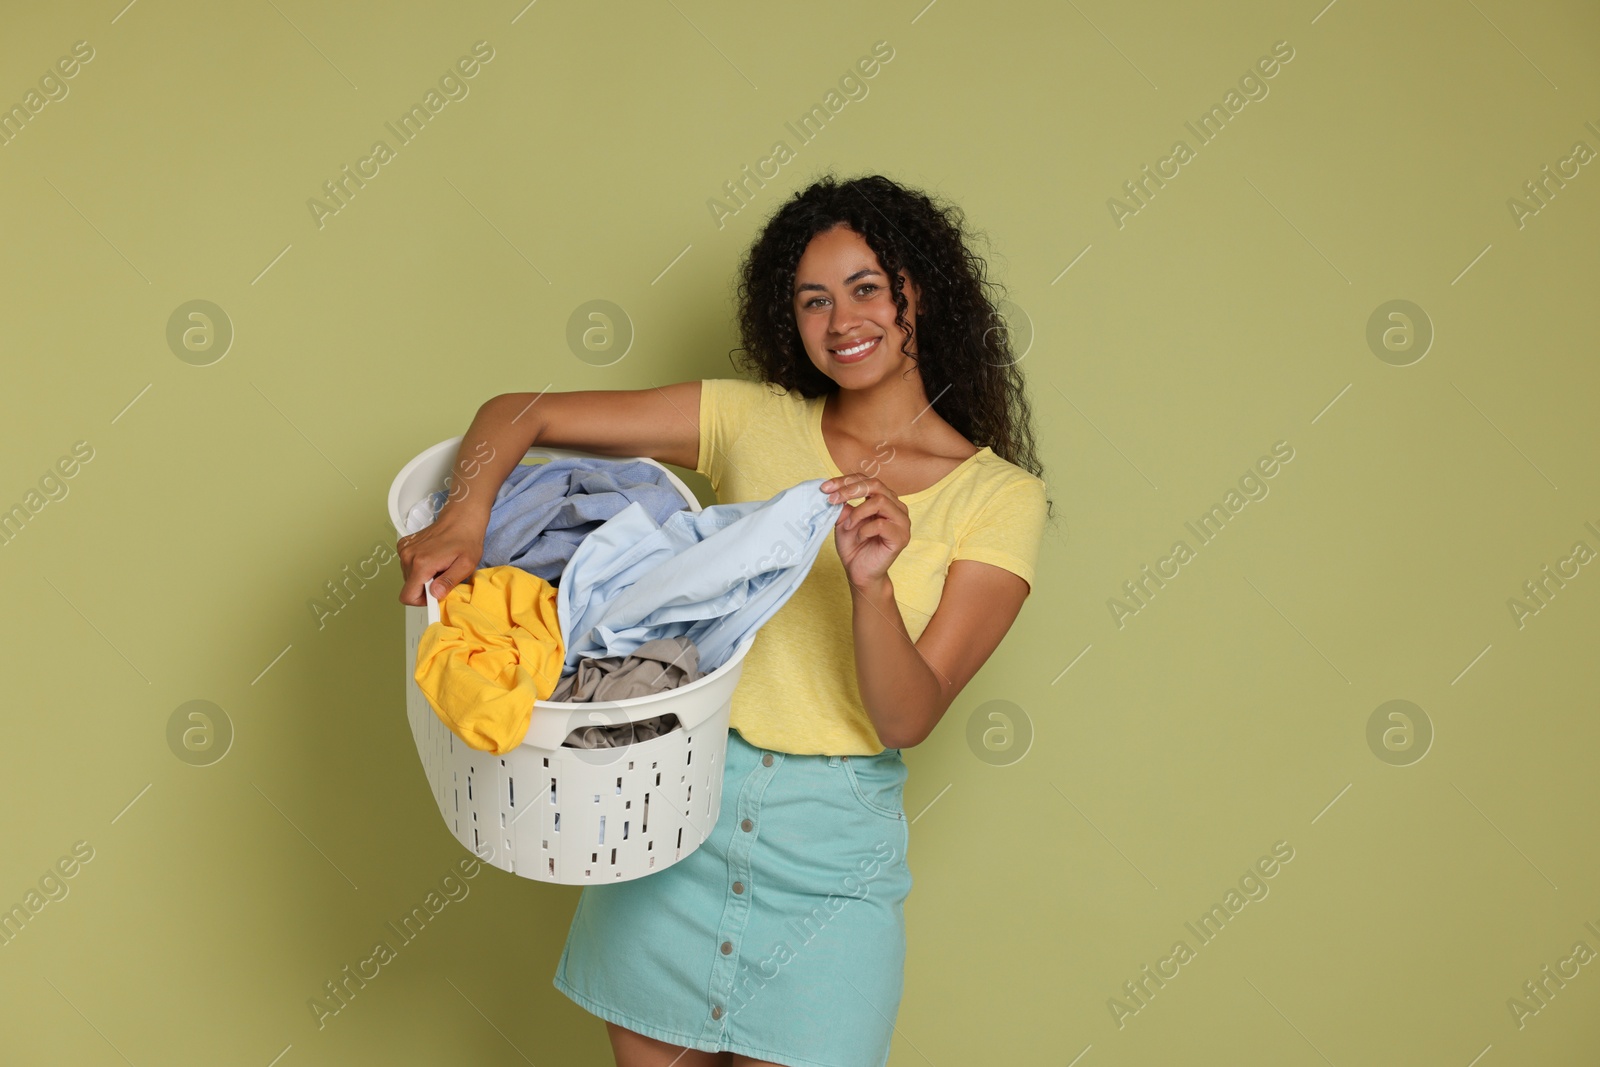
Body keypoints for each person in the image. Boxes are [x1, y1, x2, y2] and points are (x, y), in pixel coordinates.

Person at [396, 172, 1055, 1067]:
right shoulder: (748, 419)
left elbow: (906, 716)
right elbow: (522, 412)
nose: (841, 320)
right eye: (812, 299)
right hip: (671, 815)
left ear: (920, 293)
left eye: (867, 288)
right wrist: (466, 513)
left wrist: (871, 587)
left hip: (832, 856)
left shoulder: (998, 498)